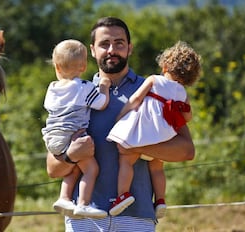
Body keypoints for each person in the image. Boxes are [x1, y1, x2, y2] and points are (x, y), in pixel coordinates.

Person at [46, 16, 195, 232]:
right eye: (104, 44)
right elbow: (53, 169)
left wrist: (137, 146)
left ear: (130, 48)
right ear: (93, 51)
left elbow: (186, 151)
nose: (111, 50)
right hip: (84, 220)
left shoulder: (155, 90)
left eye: (119, 43)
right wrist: (71, 155)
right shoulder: (77, 93)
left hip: (136, 218)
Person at [106, 41, 201, 218]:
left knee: (126, 160)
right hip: (163, 135)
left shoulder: (154, 80)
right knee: (157, 168)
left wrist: (121, 115)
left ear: (165, 65)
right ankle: (160, 200)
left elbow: (135, 99)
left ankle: (122, 195)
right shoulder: (182, 93)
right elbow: (187, 117)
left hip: (144, 131)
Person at [41, 39, 111, 218]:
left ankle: (64, 197)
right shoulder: (84, 87)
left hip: (52, 138)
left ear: (56, 67)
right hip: (74, 136)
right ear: (83, 67)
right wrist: (103, 86)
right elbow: (101, 103)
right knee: (91, 169)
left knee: (74, 167)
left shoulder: (52, 88)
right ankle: (83, 204)